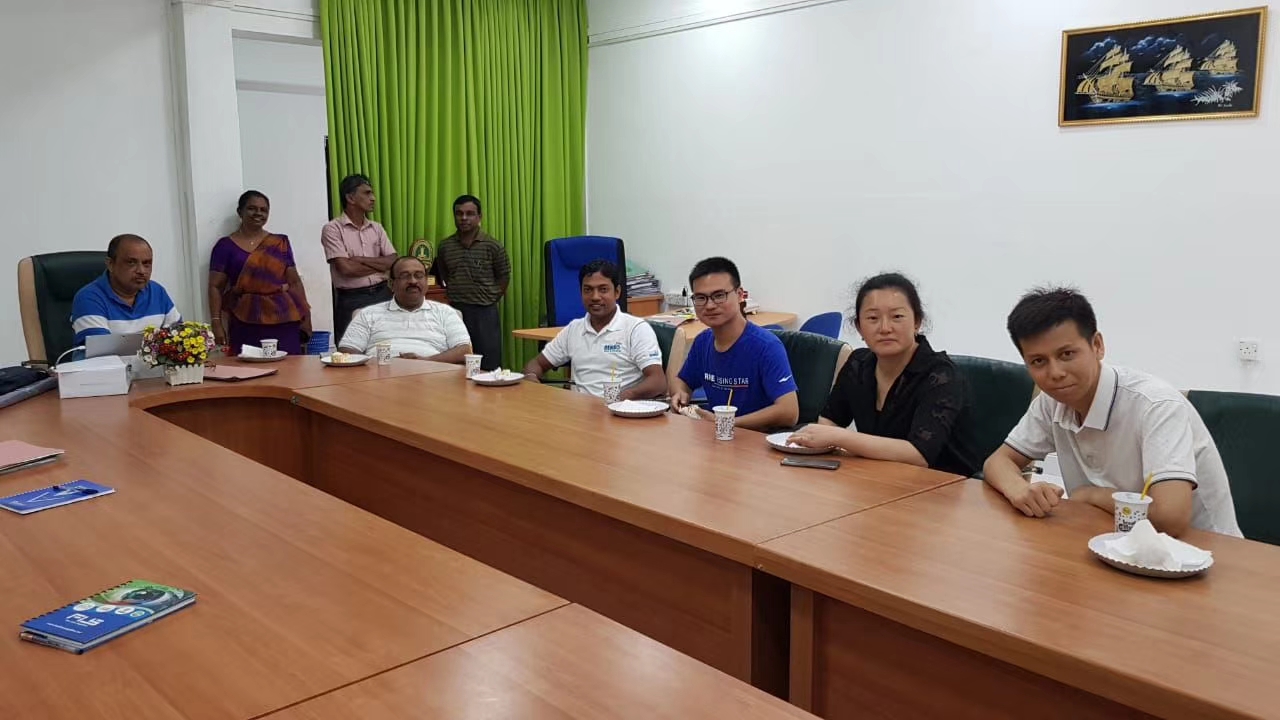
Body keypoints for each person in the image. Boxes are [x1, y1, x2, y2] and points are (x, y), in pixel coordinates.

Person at [983, 287, 1240, 537]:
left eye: (1067, 354)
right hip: (1112, 539)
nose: (1056, 373)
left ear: (1097, 345)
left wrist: (1091, 495)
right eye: (1038, 361)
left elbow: (1169, 518)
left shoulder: (1156, 405)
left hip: (1202, 550)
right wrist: (1019, 489)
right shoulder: (1051, 402)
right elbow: (998, 462)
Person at [789, 273, 981, 476]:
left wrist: (839, 438)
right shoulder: (858, 364)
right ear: (859, 327)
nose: (885, 328)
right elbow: (829, 420)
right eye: (873, 318)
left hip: (944, 484)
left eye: (897, 317)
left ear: (917, 322)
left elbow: (918, 455)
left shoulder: (942, 376)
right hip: (879, 477)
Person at [670, 257, 798, 431]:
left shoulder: (766, 346)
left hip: (757, 439)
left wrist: (727, 422)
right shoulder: (702, 342)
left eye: (719, 296)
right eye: (700, 298)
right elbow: (682, 381)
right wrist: (680, 393)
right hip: (716, 438)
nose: (709, 305)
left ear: (739, 295)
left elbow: (789, 412)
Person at [522, 259, 665, 399]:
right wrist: (531, 377)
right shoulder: (573, 329)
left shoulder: (636, 329)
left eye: (603, 289)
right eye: (588, 290)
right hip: (579, 410)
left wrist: (625, 397)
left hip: (619, 408)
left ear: (617, 292)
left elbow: (658, 382)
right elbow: (536, 364)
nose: (595, 297)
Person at [208, 191, 312, 355]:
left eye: (264, 210)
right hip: (245, 319)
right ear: (240, 211)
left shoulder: (279, 243)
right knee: (247, 366)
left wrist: (306, 317)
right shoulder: (225, 246)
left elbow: (294, 282)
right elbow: (215, 286)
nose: (258, 213)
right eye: (252, 208)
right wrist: (216, 322)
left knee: (289, 366)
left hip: (283, 318)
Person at [338, 256, 472, 363]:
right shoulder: (368, 314)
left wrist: (425, 362)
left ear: (426, 281)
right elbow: (347, 350)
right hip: (379, 378)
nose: (413, 281)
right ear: (391, 284)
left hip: (433, 377)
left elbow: (464, 350)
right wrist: (386, 364)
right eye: (405, 276)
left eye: (419, 275)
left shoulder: (445, 313)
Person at [433, 194, 510, 370]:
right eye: (459, 213)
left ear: (479, 217)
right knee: (457, 365)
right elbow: (445, 274)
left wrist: (491, 298)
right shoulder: (445, 246)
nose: (464, 218)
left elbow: (504, 277)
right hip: (456, 312)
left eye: (470, 213)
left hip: (485, 312)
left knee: (488, 364)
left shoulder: (493, 246)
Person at [322, 174, 398, 342]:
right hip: (352, 299)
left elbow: (393, 261)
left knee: (387, 346)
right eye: (367, 193)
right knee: (352, 349)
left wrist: (361, 259)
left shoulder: (377, 228)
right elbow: (346, 269)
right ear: (350, 198)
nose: (373, 198)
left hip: (383, 294)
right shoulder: (332, 229)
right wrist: (380, 264)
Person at [71, 234, 181, 345]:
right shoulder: (89, 298)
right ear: (110, 264)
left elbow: (179, 337)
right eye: (131, 263)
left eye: (146, 263)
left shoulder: (157, 292)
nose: (141, 271)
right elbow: (101, 350)